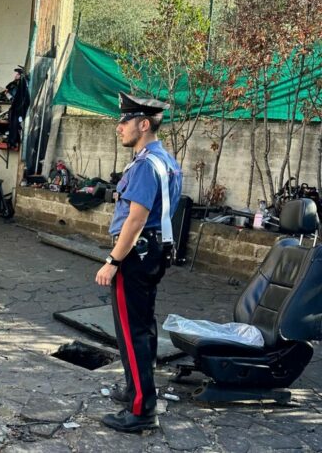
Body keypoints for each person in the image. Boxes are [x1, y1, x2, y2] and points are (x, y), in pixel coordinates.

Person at [95, 92, 182, 433]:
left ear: (143, 124)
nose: (119, 127)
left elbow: (135, 219)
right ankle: (137, 390)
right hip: (150, 253)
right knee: (142, 328)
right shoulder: (161, 159)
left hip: (135, 254)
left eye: (125, 121)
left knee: (132, 335)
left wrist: (112, 261)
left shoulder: (146, 165)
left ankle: (142, 411)